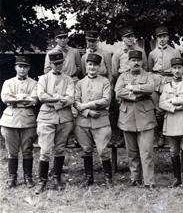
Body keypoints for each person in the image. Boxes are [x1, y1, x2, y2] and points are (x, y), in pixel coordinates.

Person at [115, 50, 156, 189]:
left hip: (145, 116)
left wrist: (133, 88)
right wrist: (136, 95)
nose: (136, 63)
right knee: (131, 152)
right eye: (133, 60)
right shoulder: (122, 76)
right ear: (128, 62)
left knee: (147, 152)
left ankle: (148, 181)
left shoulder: (148, 75)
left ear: (142, 62)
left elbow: (151, 88)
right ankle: (134, 178)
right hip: (127, 117)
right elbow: (118, 91)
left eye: (138, 60)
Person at [35, 51, 75, 194]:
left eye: (60, 63)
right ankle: (42, 181)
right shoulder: (43, 79)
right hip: (46, 118)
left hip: (64, 118)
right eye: (55, 63)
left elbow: (70, 98)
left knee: (59, 149)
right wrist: (59, 98)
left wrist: (52, 98)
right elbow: (41, 96)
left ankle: (57, 178)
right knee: (45, 150)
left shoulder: (69, 80)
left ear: (63, 63)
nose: (58, 66)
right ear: (50, 64)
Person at [74, 53, 113, 187]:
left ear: (99, 67)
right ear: (86, 66)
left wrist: (86, 105)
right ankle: (88, 178)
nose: (92, 67)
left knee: (103, 150)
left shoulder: (105, 82)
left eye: (95, 65)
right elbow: (76, 102)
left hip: (101, 121)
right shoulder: (80, 83)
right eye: (90, 64)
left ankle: (108, 179)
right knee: (86, 150)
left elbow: (106, 100)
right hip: (83, 121)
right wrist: (87, 111)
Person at [159, 57, 183, 190]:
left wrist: (172, 100)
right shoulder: (166, 86)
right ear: (171, 70)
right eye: (174, 68)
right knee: (173, 151)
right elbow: (161, 103)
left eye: (179, 68)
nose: (177, 71)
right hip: (171, 121)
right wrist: (174, 107)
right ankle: (177, 179)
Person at [0, 56, 38, 189]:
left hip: (27, 119)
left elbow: (34, 100)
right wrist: (23, 98)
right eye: (20, 66)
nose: (22, 69)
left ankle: (28, 177)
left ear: (29, 68)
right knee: (12, 151)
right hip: (10, 119)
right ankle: (12, 177)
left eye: (25, 66)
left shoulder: (34, 83)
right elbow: (5, 98)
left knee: (27, 150)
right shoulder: (8, 82)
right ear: (15, 67)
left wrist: (15, 98)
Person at [148, 26, 181, 147]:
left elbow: (178, 68)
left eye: (164, 36)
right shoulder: (152, 53)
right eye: (160, 37)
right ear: (156, 38)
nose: (162, 39)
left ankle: (172, 134)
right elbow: (149, 69)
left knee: (171, 107)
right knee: (158, 110)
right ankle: (160, 134)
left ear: (168, 37)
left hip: (170, 81)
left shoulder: (174, 52)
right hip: (156, 81)